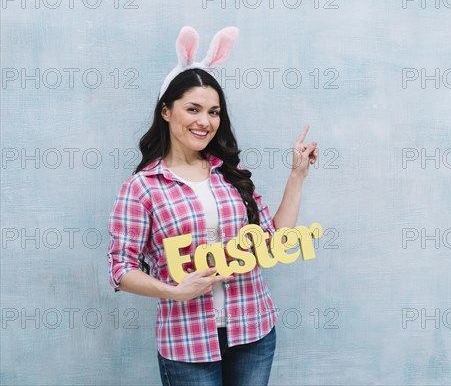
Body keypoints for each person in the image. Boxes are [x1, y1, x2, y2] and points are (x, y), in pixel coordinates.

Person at [107, 26, 318, 386]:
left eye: (214, 111)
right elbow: (120, 268)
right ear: (166, 112)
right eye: (193, 109)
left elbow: (274, 240)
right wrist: (172, 291)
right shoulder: (142, 188)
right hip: (188, 342)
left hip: (253, 330)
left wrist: (297, 176)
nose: (205, 121)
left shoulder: (231, 175)